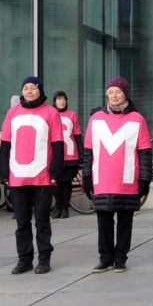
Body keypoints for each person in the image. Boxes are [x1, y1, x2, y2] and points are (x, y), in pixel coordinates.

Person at [82, 77, 152, 273]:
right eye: (111, 91)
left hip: (127, 180)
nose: (114, 95)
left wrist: (144, 180)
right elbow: (88, 152)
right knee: (103, 222)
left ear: (125, 94)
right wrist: (87, 176)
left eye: (118, 92)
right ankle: (105, 259)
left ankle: (120, 259)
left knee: (124, 222)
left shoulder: (137, 119)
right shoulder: (95, 119)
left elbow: (145, 153)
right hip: (101, 180)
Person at [0, 76, 64, 274]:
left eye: (33, 88)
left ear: (40, 90)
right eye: (25, 88)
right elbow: (5, 146)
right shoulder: (12, 113)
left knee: (42, 220)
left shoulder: (51, 112)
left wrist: (55, 172)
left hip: (42, 176)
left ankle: (44, 259)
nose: (29, 91)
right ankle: (24, 259)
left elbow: (58, 145)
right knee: (21, 221)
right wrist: (4, 172)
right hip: (18, 176)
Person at [52, 91, 82, 219]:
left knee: (66, 183)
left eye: (63, 99)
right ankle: (57, 207)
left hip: (70, 155)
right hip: (55, 155)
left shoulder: (72, 115)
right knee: (56, 183)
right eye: (58, 99)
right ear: (54, 101)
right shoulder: (51, 114)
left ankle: (65, 208)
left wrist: (81, 154)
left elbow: (77, 135)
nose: (61, 101)